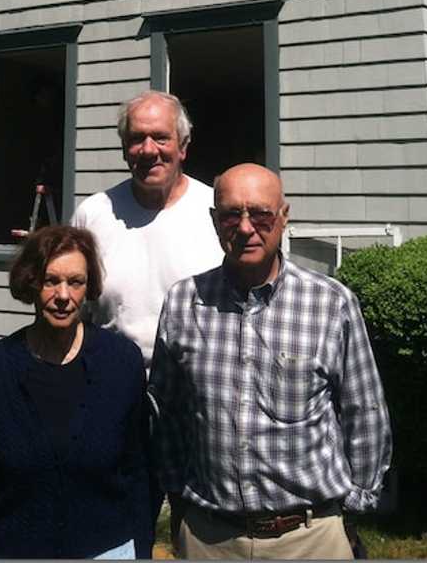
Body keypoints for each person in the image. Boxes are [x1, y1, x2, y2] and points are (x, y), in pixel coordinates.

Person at [148, 163, 392, 560]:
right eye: (231, 214)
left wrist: (352, 508)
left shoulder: (331, 304)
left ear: (283, 217)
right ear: (214, 220)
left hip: (310, 539)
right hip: (210, 538)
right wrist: (179, 500)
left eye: (260, 214)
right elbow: (167, 413)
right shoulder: (183, 303)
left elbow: (364, 413)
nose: (245, 228)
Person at [0, 226, 153, 560]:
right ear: (30, 283)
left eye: (75, 282)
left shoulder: (122, 363)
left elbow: (138, 470)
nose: (63, 295)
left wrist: (142, 550)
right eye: (50, 281)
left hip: (109, 550)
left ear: (88, 287)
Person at [70, 91, 222, 369]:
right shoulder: (92, 215)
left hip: (193, 391)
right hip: (111, 382)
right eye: (137, 138)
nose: (149, 150)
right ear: (124, 148)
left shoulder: (216, 211)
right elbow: (73, 311)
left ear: (183, 146)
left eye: (161, 137)